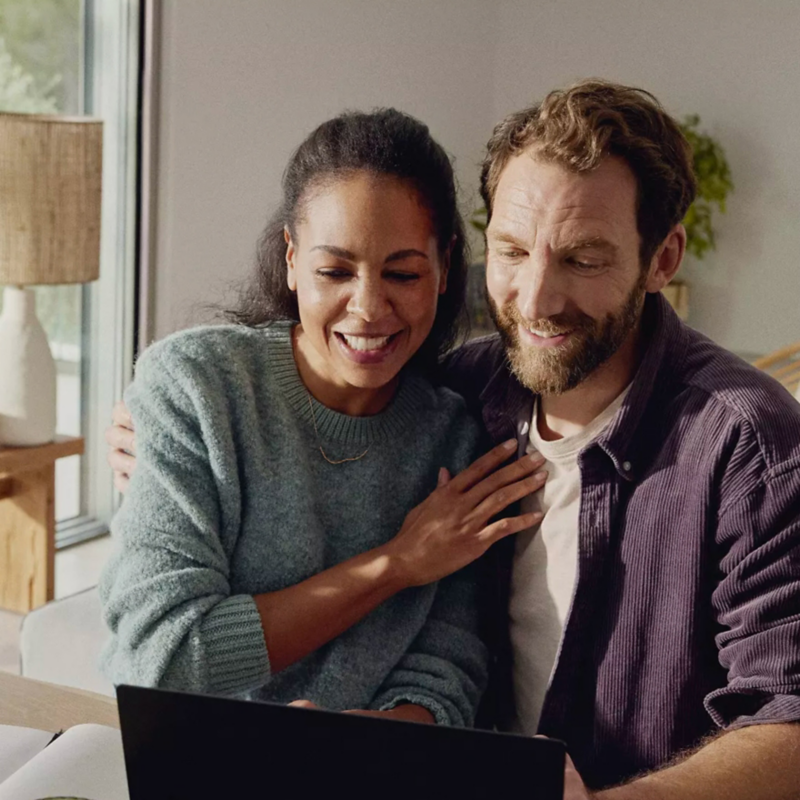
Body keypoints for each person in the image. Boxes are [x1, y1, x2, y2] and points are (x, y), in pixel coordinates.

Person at [109, 82, 800, 797]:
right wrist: (154, 437)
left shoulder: (750, 444)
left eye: (584, 259)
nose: (534, 300)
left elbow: (789, 721)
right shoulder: (470, 392)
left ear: (663, 259)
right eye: (512, 251)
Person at [99, 108, 548, 729]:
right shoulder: (195, 387)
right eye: (334, 271)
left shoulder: (456, 437)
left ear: (444, 267)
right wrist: (396, 562)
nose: (367, 307)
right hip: (182, 759)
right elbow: (162, 657)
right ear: (290, 258)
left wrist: (371, 741)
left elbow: (450, 664)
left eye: (403, 273)